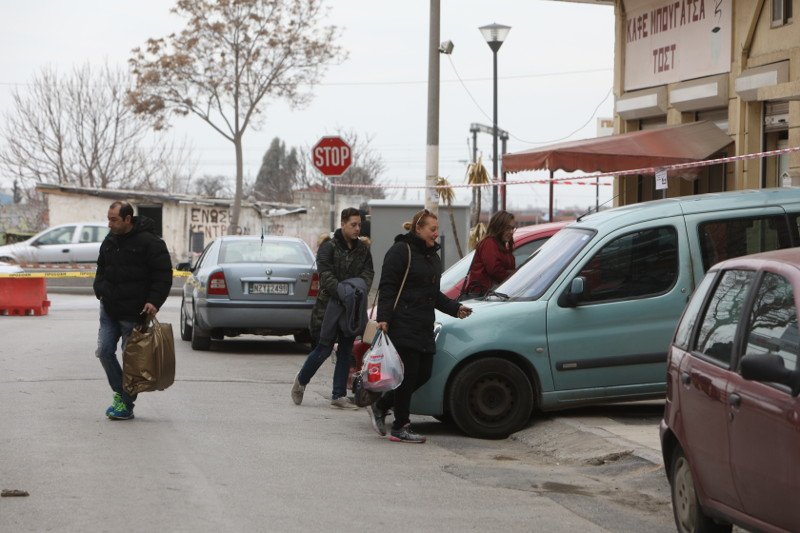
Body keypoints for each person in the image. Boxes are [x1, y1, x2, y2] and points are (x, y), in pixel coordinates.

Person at [368, 208, 472, 443]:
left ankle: (382, 405)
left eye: (437, 229)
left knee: (423, 373)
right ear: (418, 228)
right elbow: (387, 287)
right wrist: (383, 318)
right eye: (432, 229)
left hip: (423, 324)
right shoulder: (400, 251)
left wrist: (455, 308)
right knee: (408, 374)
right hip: (402, 323)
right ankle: (400, 426)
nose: (436, 234)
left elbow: (433, 294)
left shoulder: (431, 256)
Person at [93, 201, 173, 420]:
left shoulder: (150, 242)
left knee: (131, 362)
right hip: (109, 309)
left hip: (134, 312)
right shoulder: (109, 240)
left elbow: (163, 275)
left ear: (128, 219)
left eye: (114, 219)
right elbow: (101, 268)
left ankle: (125, 405)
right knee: (104, 351)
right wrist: (99, 289)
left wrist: (154, 302)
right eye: (108, 218)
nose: (109, 224)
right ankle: (122, 394)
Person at [292, 207, 374, 409]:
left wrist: (356, 291)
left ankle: (338, 395)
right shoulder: (328, 247)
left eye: (359, 225)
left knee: (346, 349)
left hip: (352, 307)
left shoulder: (363, 250)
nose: (357, 229)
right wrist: (344, 291)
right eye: (353, 225)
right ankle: (301, 381)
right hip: (329, 306)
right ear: (343, 223)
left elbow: (368, 274)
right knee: (323, 349)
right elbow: (326, 276)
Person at [463, 210, 516, 298]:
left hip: (493, 296)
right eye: (508, 228)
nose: (511, 231)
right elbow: (495, 270)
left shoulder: (502, 245)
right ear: (498, 227)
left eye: (512, 228)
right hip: (482, 297)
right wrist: (515, 279)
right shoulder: (489, 243)